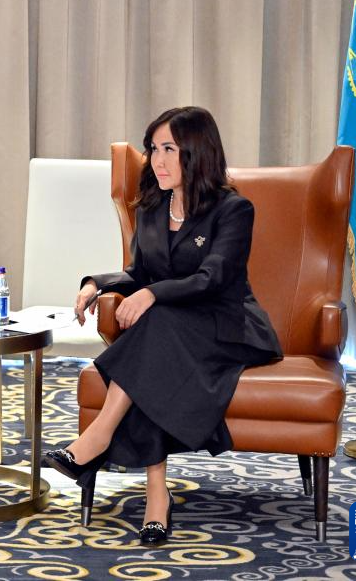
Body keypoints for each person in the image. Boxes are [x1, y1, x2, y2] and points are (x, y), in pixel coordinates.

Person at [42, 106, 282, 546]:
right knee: (157, 343)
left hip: (228, 327)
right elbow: (140, 272)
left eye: (169, 149)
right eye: (153, 149)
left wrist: (152, 294)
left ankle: (98, 438)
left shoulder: (233, 209)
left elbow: (213, 278)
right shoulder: (153, 207)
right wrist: (97, 283)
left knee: (155, 323)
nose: (158, 160)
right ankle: (157, 493)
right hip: (172, 330)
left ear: (197, 151)